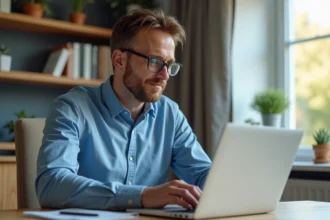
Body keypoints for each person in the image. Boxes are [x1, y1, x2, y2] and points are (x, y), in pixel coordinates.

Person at [36, 9, 211, 211]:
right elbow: (51, 185)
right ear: (119, 60)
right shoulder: (72, 108)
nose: (164, 76)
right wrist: (141, 196)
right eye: (155, 62)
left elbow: (203, 174)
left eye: (169, 65)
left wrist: (224, 187)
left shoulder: (170, 114)